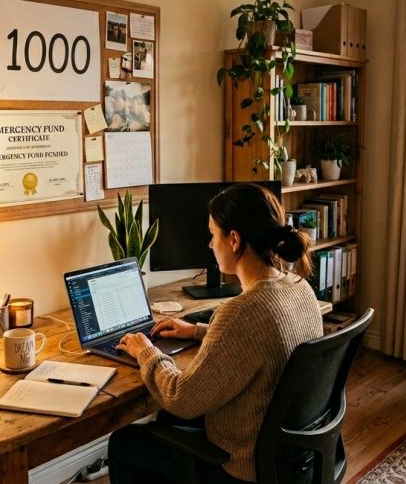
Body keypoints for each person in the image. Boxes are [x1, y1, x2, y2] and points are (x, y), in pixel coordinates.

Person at [108, 183, 323, 483]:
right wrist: (196, 331)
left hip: (243, 466)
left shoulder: (240, 312)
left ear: (233, 239)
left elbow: (181, 397)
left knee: (125, 442)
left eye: (212, 234)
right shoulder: (300, 288)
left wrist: (147, 351)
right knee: (167, 420)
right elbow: (260, 342)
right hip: (291, 457)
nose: (210, 244)